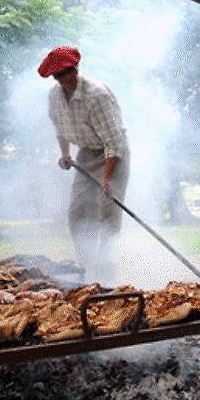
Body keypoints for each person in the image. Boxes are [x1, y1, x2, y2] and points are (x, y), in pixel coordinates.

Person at [38, 46, 130, 281]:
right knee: (78, 211)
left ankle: (107, 273)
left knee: (108, 211)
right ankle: (86, 270)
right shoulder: (54, 96)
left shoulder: (97, 95)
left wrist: (106, 179)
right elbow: (60, 127)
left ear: (75, 68)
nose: (64, 79)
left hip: (112, 155)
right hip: (86, 154)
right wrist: (65, 153)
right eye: (58, 76)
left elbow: (114, 141)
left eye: (67, 72)